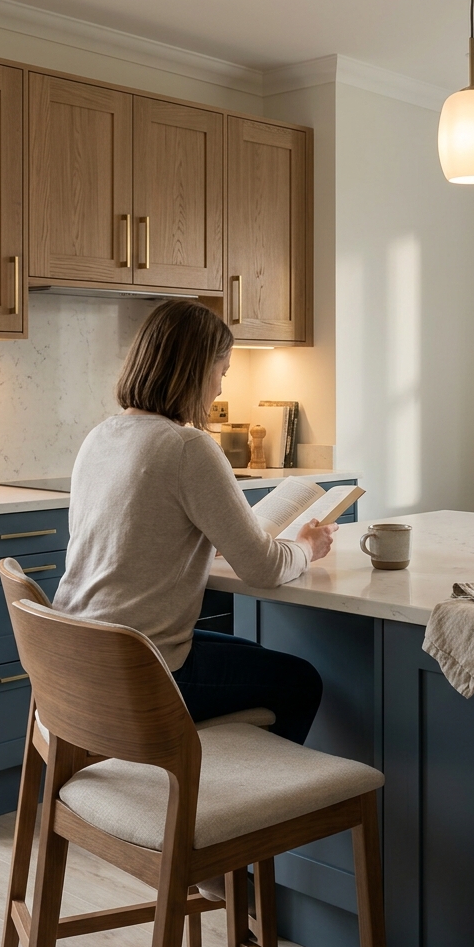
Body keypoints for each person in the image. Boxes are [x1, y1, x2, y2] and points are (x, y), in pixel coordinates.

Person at [52, 299, 335, 746]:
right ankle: (245, 806)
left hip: (79, 657)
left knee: (255, 656)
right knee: (300, 681)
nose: (220, 389)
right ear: (197, 369)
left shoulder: (100, 435)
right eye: (221, 372)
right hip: (143, 673)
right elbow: (263, 568)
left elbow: (135, 536)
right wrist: (306, 545)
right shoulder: (187, 446)